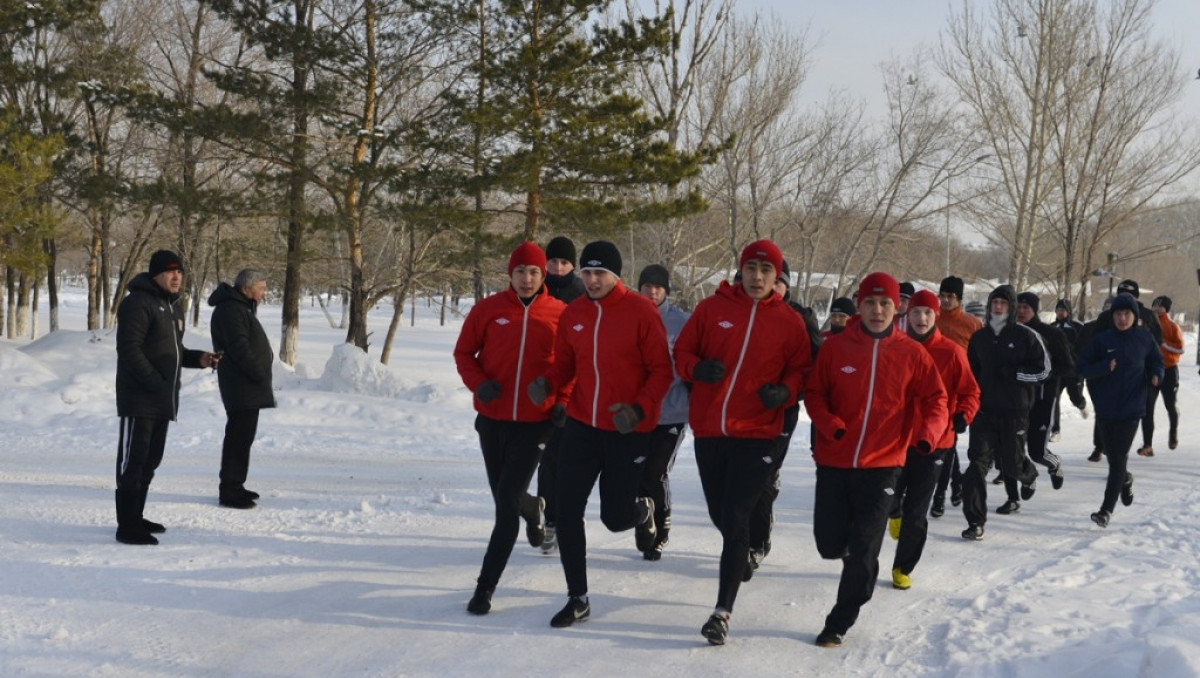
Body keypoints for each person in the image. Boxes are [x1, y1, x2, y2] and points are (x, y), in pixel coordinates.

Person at [527, 240, 674, 628]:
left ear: (616, 276)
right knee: (569, 509)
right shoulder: (575, 313)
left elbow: (662, 371)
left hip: (627, 429)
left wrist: (640, 410)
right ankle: (578, 597)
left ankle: (642, 510)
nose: (591, 280)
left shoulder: (641, 312)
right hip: (581, 427)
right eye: (587, 273)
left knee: (614, 518)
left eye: (600, 274)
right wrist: (548, 383)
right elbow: (566, 366)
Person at [673, 241, 812, 645]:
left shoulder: (789, 322)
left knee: (733, 516)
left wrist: (784, 393)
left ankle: (721, 612)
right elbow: (682, 352)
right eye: (751, 268)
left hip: (759, 432)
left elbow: (801, 370)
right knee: (722, 514)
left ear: (777, 277)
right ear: (741, 270)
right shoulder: (711, 310)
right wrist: (696, 368)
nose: (757, 276)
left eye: (766, 270)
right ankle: (746, 541)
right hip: (712, 429)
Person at [805, 272, 947, 648]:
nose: (878, 310)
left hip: (884, 463)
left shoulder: (912, 353)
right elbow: (814, 393)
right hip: (835, 459)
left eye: (885, 304)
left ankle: (839, 619)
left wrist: (927, 434)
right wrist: (828, 424)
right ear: (859, 304)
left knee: (865, 546)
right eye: (870, 303)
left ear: (896, 307)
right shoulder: (835, 348)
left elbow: (937, 401)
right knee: (829, 544)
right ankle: (857, 560)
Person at [453, 242, 567, 615]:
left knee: (504, 507)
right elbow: (463, 353)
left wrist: (561, 400)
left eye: (534, 272)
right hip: (492, 420)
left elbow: (573, 365)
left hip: (535, 424)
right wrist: (479, 383)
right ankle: (533, 508)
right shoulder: (488, 310)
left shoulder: (559, 314)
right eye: (520, 271)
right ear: (510, 274)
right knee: (506, 495)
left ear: (543, 274)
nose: (527, 278)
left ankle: (485, 589)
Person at [114, 250, 221, 545]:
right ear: (156, 274)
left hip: (163, 398)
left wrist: (199, 358)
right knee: (132, 463)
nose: (177, 277)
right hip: (139, 399)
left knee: (150, 461)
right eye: (171, 271)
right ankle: (126, 525)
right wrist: (156, 382)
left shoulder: (171, 307)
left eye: (180, 272)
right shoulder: (137, 303)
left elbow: (174, 352)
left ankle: (136, 516)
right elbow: (129, 350)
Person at [888, 290, 979, 590]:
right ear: (907, 315)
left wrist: (962, 416)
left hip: (936, 443)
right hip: (896, 440)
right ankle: (893, 511)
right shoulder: (895, 347)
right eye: (916, 312)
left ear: (936, 315)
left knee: (917, 510)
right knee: (887, 499)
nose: (922, 318)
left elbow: (970, 392)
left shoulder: (952, 353)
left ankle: (903, 567)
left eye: (928, 313)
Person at [743, 259, 823, 579]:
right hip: (744, 410)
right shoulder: (743, 313)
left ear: (785, 285)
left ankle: (755, 544)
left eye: (777, 281)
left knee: (761, 478)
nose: (770, 286)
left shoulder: (800, 318)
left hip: (782, 409)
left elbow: (815, 366)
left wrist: (790, 392)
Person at [960, 285, 1049, 540]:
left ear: (1011, 308)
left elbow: (1043, 371)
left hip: (1015, 410)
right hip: (985, 411)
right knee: (977, 464)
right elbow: (971, 372)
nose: (997, 308)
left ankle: (1028, 473)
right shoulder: (980, 338)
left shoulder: (1026, 336)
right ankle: (975, 522)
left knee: (1011, 462)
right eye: (994, 303)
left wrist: (1015, 374)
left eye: (1003, 303)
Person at [1076, 295, 1163, 527]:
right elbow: (1082, 367)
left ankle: (1105, 510)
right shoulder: (1102, 340)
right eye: (1118, 314)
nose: (1122, 318)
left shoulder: (1144, 339)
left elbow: (1157, 361)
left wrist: (1157, 375)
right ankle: (1125, 479)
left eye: (1127, 314)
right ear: (1112, 316)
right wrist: (1104, 367)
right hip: (1106, 409)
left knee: (1118, 458)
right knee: (1115, 459)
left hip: (1132, 408)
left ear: (1134, 317)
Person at [532, 235, 586, 554]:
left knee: (569, 462)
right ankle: (549, 519)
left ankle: (566, 519)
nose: (558, 267)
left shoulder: (581, 295)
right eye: (553, 262)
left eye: (565, 262)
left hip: (576, 391)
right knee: (546, 460)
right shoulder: (538, 290)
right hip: (543, 387)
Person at [635, 263, 691, 561]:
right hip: (636, 412)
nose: (653, 291)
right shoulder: (628, 317)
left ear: (666, 291)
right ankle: (645, 520)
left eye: (658, 287)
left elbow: (701, 350)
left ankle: (662, 525)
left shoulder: (681, 322)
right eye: (647, 286)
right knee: (636, 470)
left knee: (655, 471)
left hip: (673, 410)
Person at [208, 269, 276, 510]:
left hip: (247, 384)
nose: (264, 294)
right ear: (246, 288)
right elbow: (239, 348)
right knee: (238, 437)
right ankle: (229, 489)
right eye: (261, 288)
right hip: (241, 384)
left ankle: (236, 483)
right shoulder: (231, 310)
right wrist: (258, 372)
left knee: (244, 436)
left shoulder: (240, 307)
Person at [932, 275, 982, 513]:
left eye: (950, 296)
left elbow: (979, 357)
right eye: (942, 296)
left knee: (949, 443)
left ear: (959, 299)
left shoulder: (971, 324)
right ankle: (955, 484)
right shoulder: (932, 318)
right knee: (944, 444)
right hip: (932, 387)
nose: (945, 300)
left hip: (958, 389)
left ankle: (941, 493)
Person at [1015, 292, 1072, 493]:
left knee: (1037, 451)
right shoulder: (1010, 333)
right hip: (1016, 400)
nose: (1021, 311)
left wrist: (1043, 375)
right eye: (1018, 307)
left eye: (1026, 308)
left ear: (1035, 310)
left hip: (1042, 399)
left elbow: (1067, 366)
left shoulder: (1051, 334)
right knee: (1013, 449)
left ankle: (1054, 463)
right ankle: (1028, 477)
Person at [1144, 295, 1183, 453]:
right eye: (1154, 304)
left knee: (1170, 405)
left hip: (1169, 370)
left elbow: (1181, 348)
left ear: (1166, 308)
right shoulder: (1147, 323)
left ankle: (1173, 432)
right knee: (1148, 408)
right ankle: (1148, 445)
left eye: (1160, 305)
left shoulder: (1172, 326)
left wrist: (1164, 344)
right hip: (1151, 370)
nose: (1156, 307)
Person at [1050, 298, 1089, 441]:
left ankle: (1082, 405)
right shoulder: (1051, 327)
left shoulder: (1077, 327)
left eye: (1063, 310)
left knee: (1074, 397)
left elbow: (1084, 347)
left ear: (1069, 312)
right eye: (1058, 309)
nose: (1061, 312)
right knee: (1054, 399)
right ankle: (1056, 430)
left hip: (1073, 371)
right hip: (1056, 371)